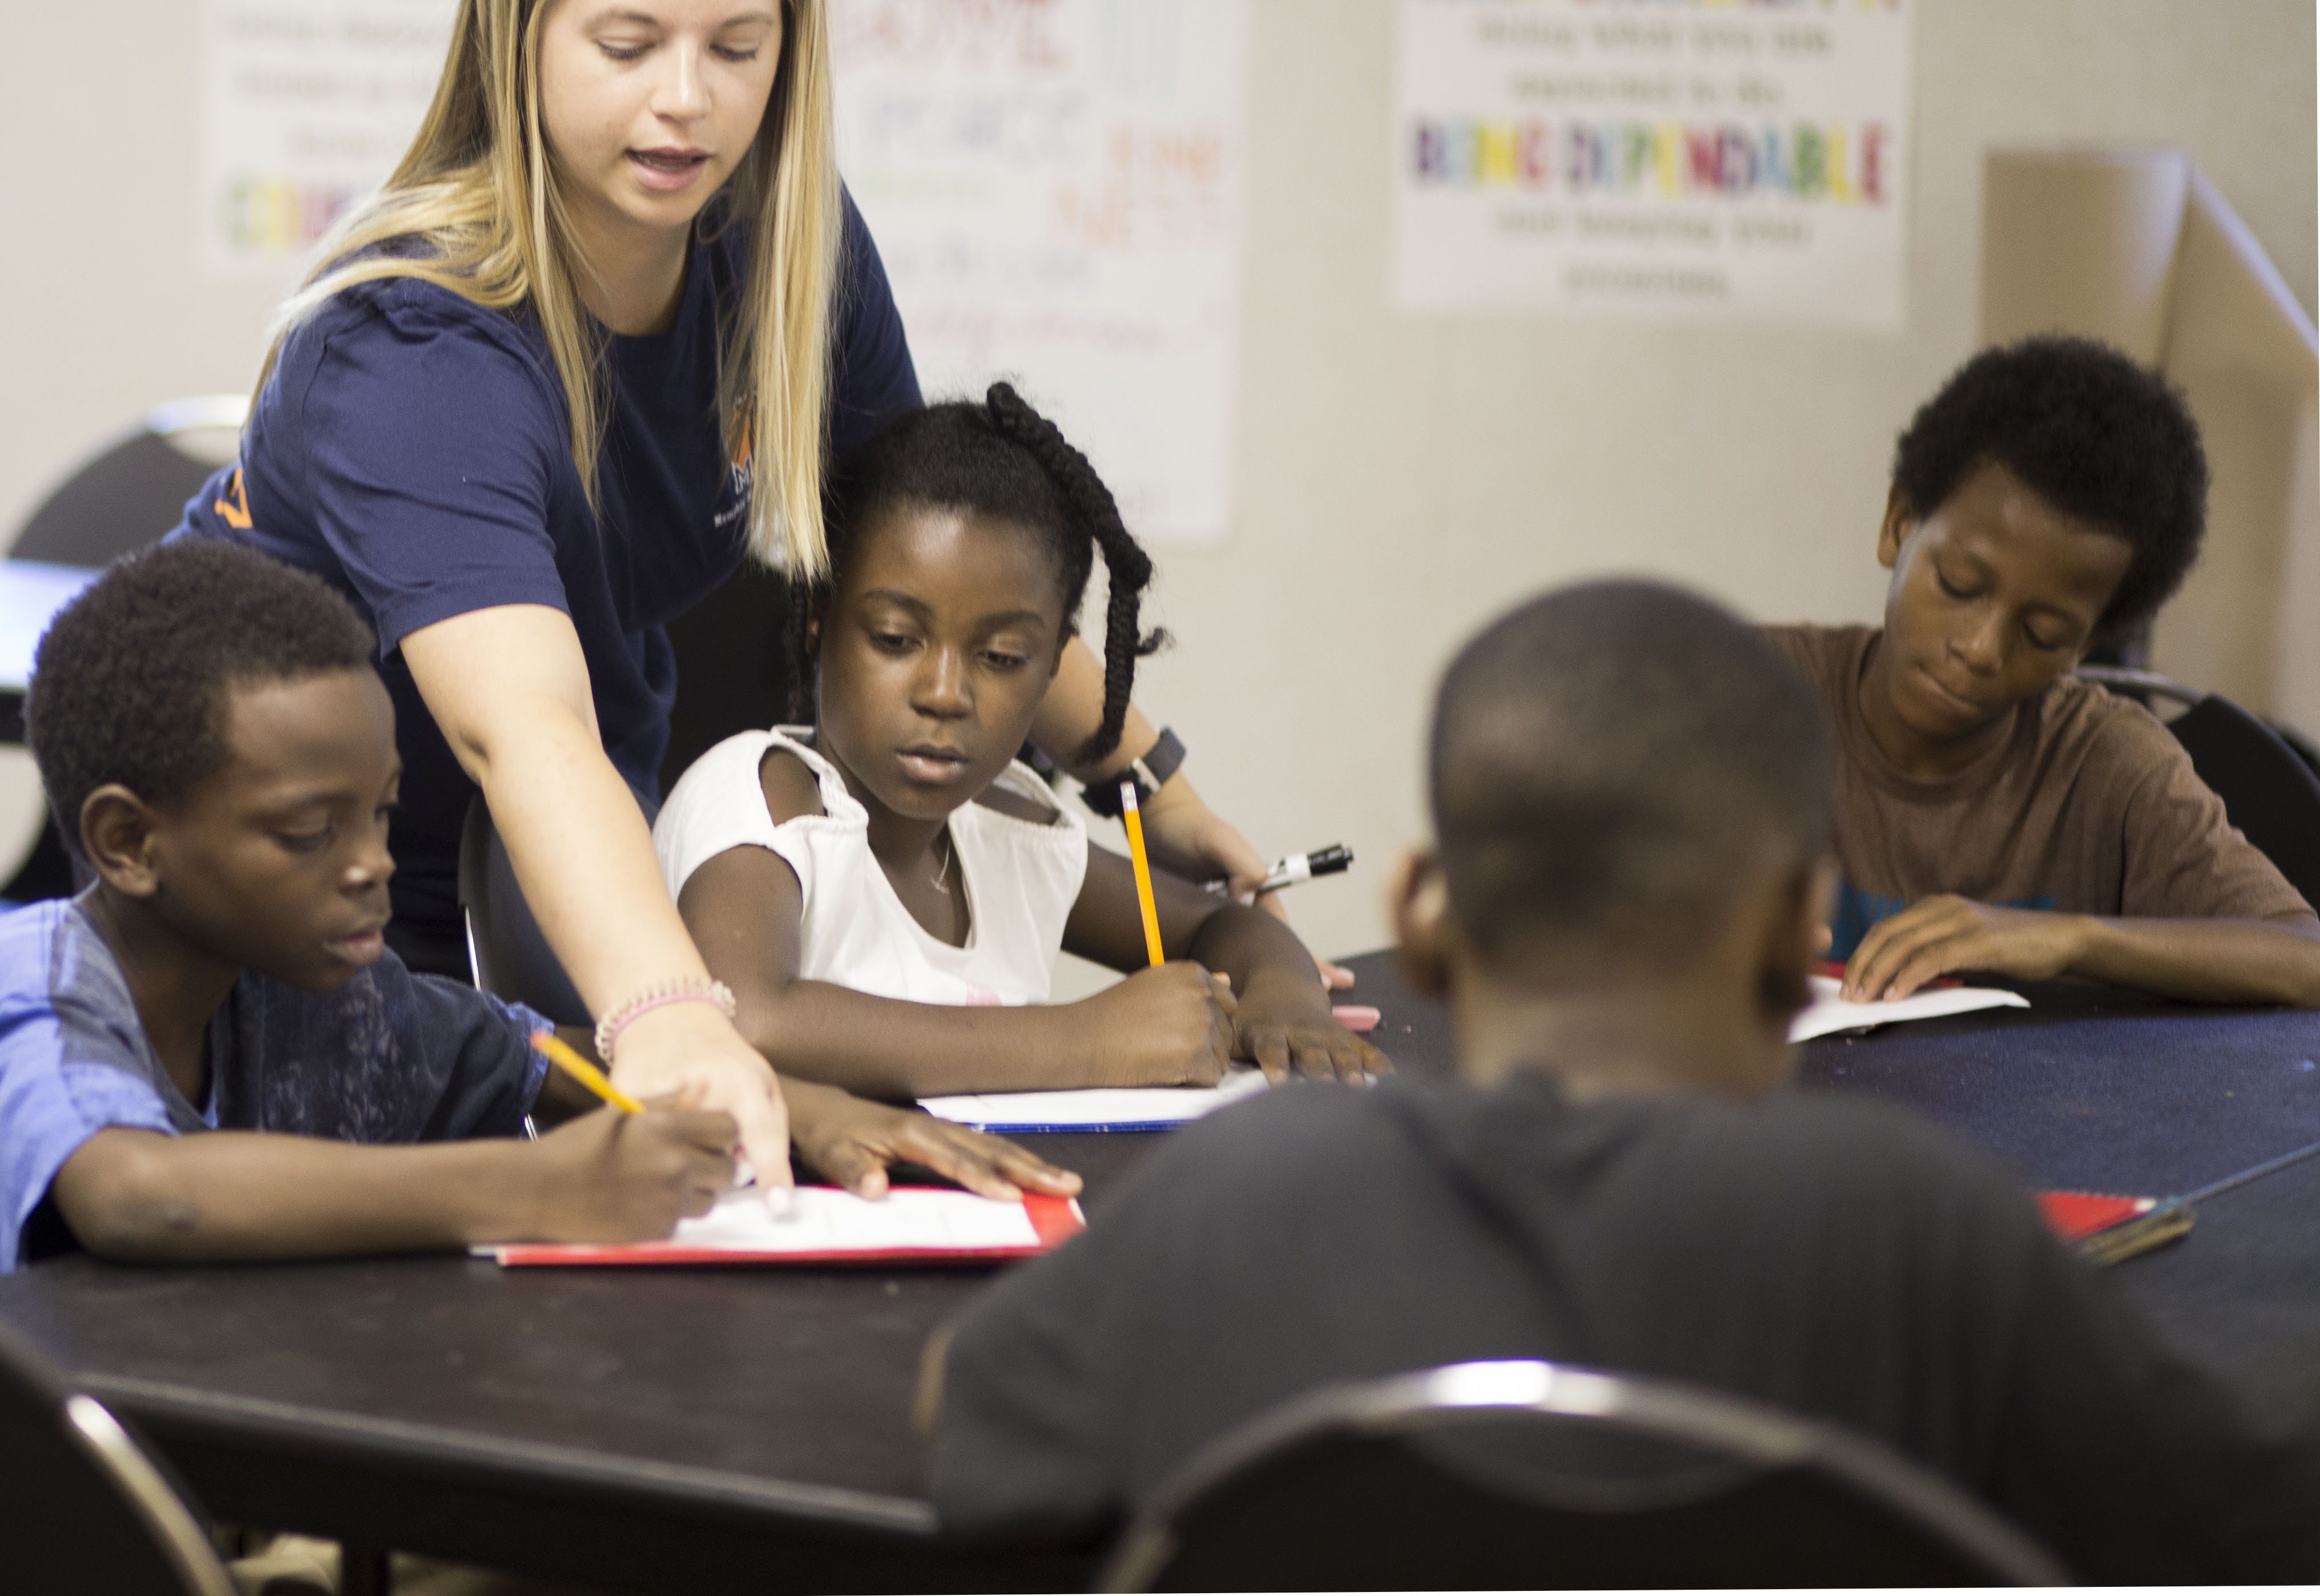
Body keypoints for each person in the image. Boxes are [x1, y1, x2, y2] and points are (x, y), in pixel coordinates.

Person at [177, 0, 1288, 1189]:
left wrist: (1144, 771)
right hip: (280, 897)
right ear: (516, 39)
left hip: (553, 873)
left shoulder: (781, 246)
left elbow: (939, 555)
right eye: (626, 43)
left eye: (737, 47)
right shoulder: (412, 346)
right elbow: (523, 732)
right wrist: (668, 1016)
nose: (686, 99)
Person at [923, 581, 2320, 1582]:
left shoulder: (1232, 1203)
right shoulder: (1926, 1240)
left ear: (1416, 912)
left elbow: (963, 1432)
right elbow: (2245, 1537)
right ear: (1793, 934)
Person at [0, 541, 1076, 1281]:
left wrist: (793, 1111)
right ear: (129, 843)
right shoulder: (29, 992)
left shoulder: (324, 989)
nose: (369, 867)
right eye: (311, 834)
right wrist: (542, 1196)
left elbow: (535, 1063)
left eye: (380, 817)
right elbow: (148, 1196)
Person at [660, 386, 1381, 1097]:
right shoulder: (756, 808)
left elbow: (1223, 924)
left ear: (1049, 672)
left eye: (1002, 657)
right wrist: (1091, 1041)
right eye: (895, 639)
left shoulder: (1013, 838)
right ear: (818, 620)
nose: (944, 693)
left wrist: (1285, 998)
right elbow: (743, 1018)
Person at [1771, 334, 2320, 1008]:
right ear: (1899, 523)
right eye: (1958, 584)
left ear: (2089, 643)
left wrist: (2071, 939)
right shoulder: (1739, 690)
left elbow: (2306, 957)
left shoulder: (2106, 763)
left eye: (2042, 633)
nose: (1979, 648)